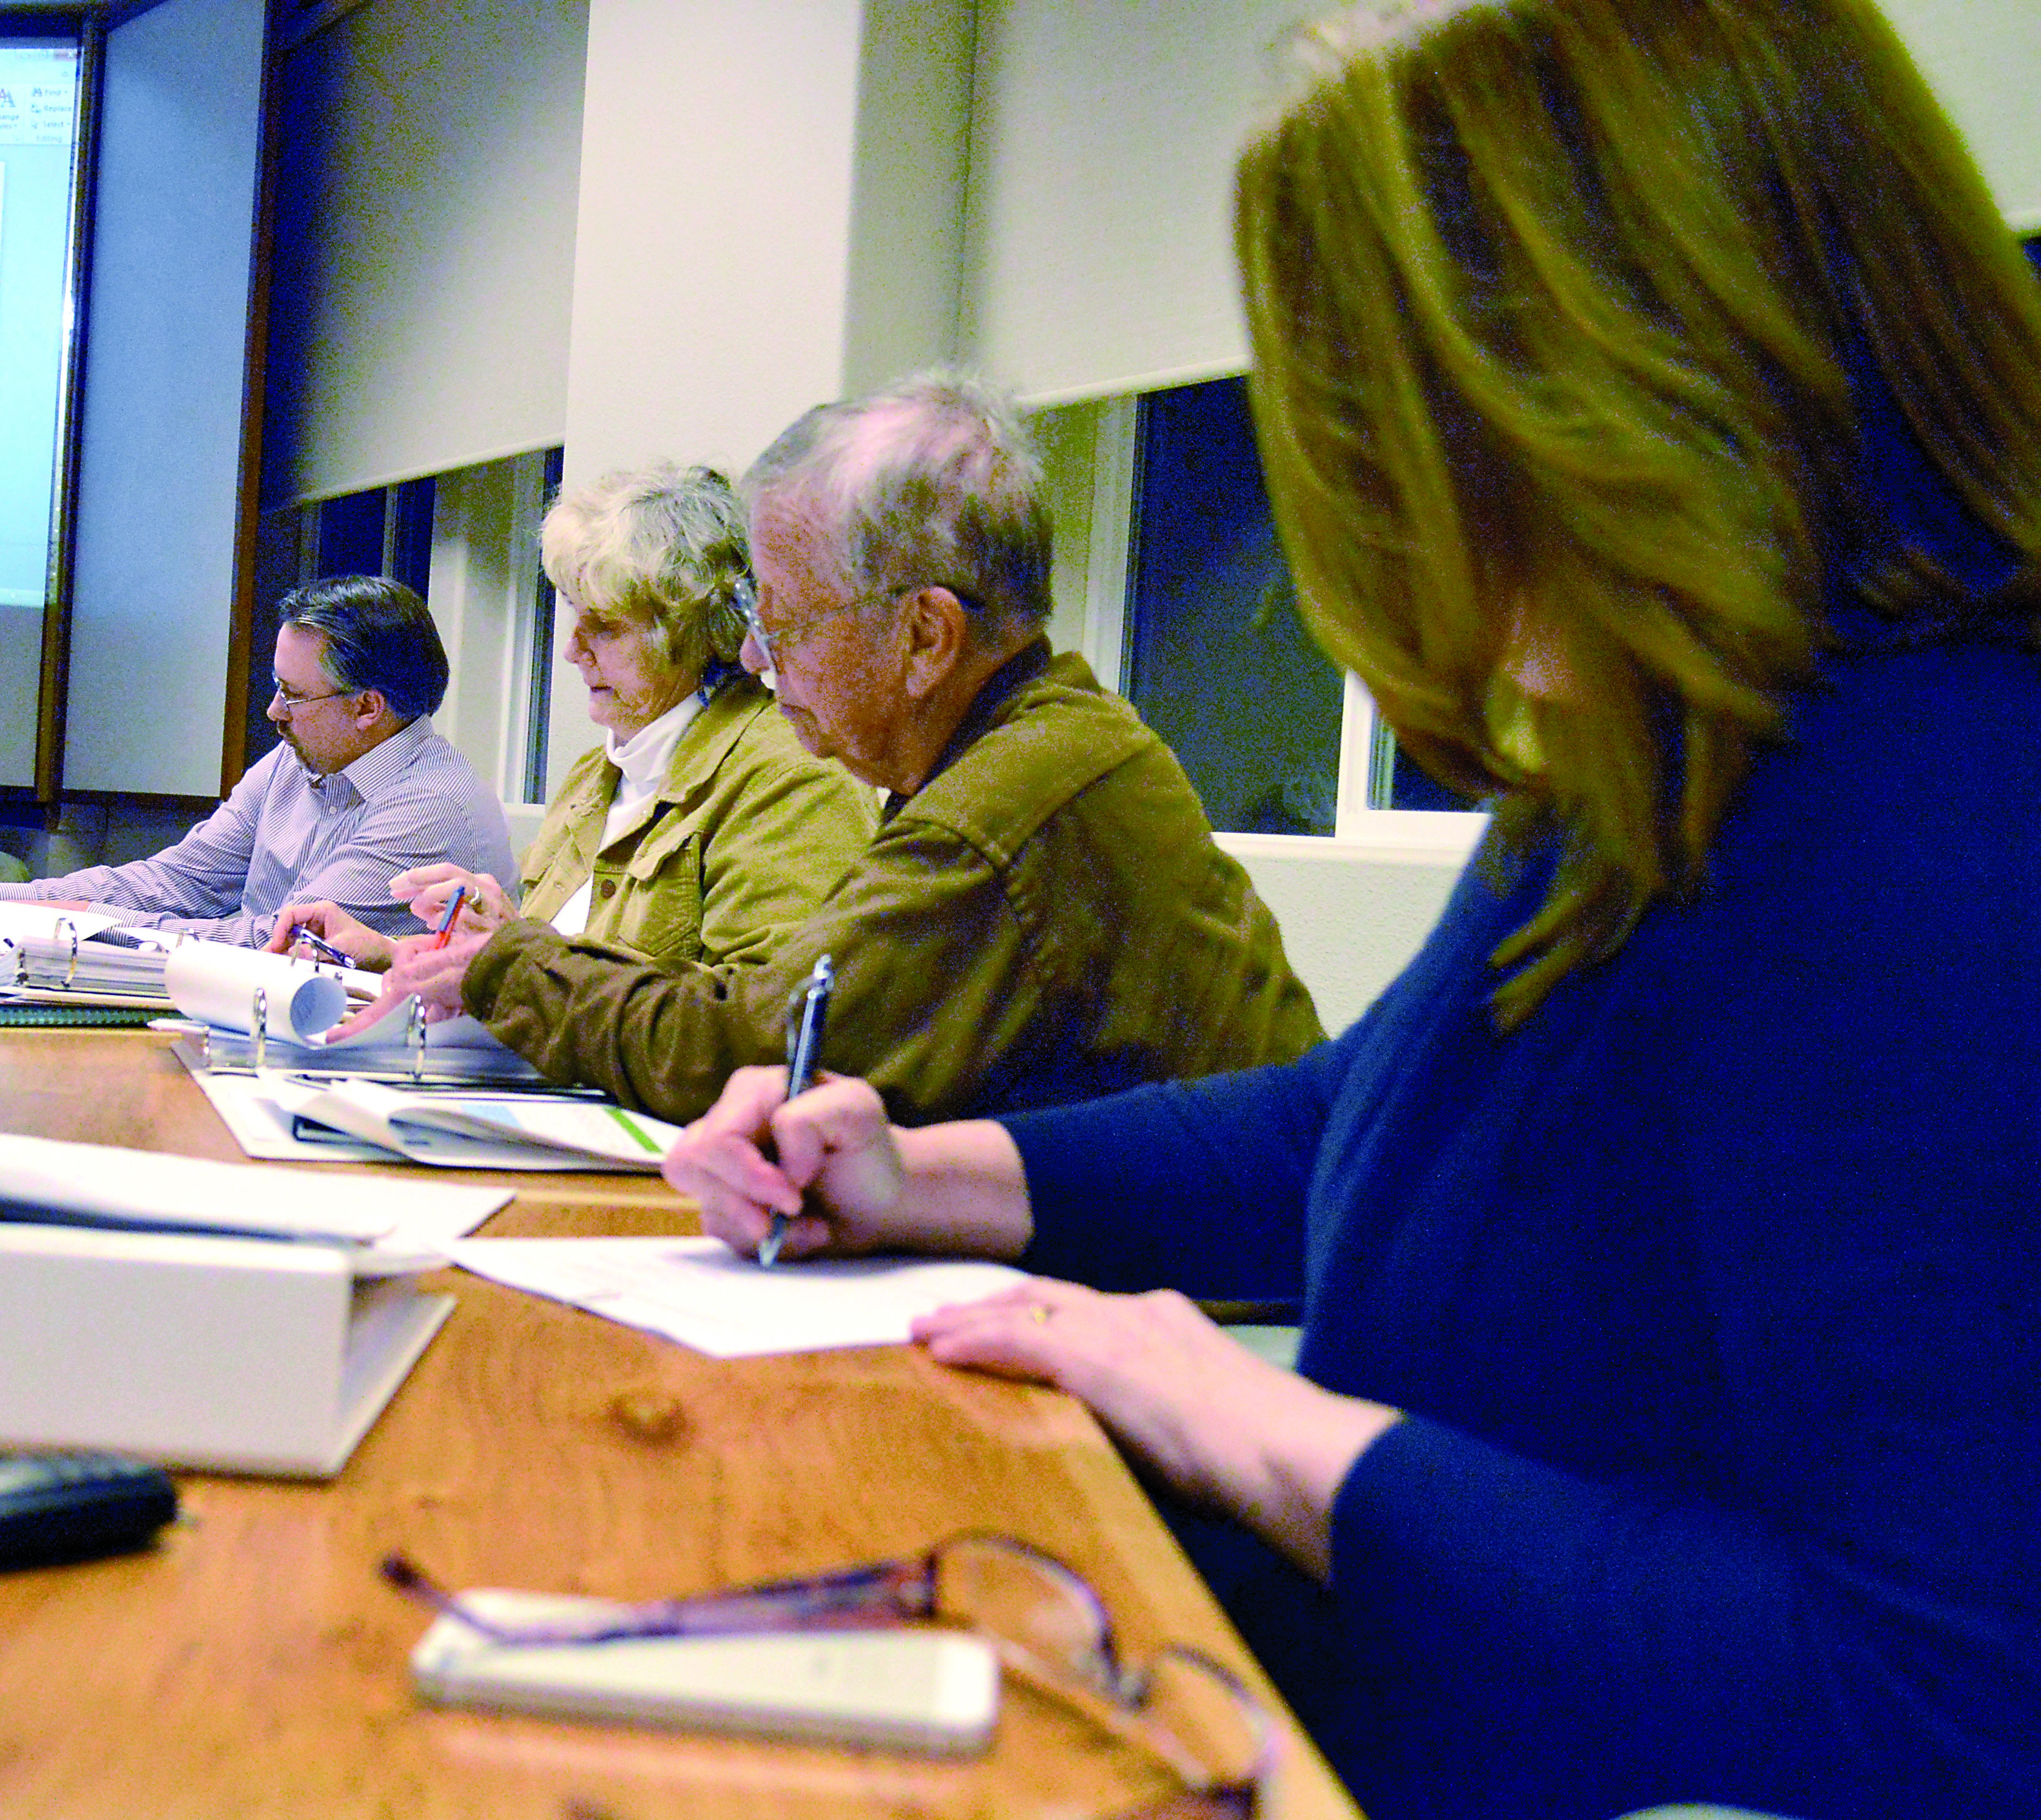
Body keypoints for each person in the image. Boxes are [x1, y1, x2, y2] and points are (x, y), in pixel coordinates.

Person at [669, 2, 2041, 1815]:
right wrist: (935, 1177)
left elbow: (1932, 1697)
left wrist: (1248, 1418)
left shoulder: (1931, 805)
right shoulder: (1660, 723)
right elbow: (1370, 1120)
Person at [308, 376, 1320, 1124]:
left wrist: (511, 967)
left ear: (924, 638)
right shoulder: (1029, 749)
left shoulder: (998, 811)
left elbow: (752, 1044)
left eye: (785, 626)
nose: (749, 654)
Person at [265, 463, 872, 986]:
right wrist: (389, 957)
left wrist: (524, 959)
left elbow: (762, 1024)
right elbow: (542, 985)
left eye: (604, 626)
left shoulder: (792, 782)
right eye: (575, 617)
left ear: (692, 632)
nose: (573, 650)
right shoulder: (597, 776)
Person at [0, 575, 513, 943]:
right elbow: (176, 882)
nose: (275, 711)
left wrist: (85, 922)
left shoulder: (434, 807)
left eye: (294, 694)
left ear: (369, 707)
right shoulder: (292, 763)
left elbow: (274, 941)